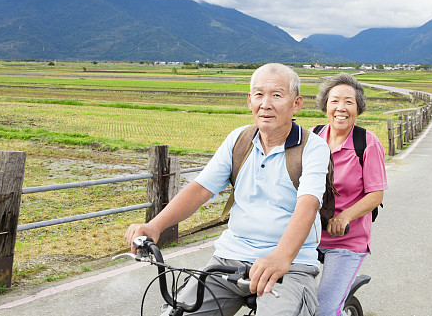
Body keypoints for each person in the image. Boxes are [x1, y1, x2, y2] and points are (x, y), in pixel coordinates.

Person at [125, 63, 330, 316]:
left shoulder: (314, 148)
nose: (265, 103)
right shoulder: (238, 141)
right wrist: (155, 226)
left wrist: (281, 257)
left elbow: (308, 205)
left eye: (277, 95)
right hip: (228, 260)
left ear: (296, 104)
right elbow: (200, 189)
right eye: (258, 94)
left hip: (290, 264)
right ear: (249, 100)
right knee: (177, 312)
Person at [311, 73, 387, 316]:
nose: (340, 108)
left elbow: (376, 195)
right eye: (334, 101)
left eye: (348, 102)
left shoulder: (366, 143)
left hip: (346, 240)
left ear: (358, 108)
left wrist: (344, 217)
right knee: (282, 299)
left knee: (323, 311)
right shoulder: (311, 137)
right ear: (325, 105)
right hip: (308, 235)